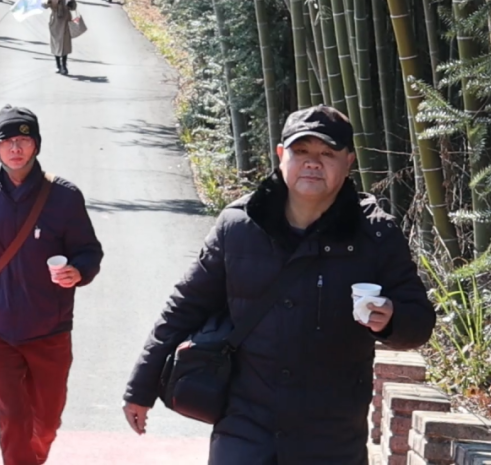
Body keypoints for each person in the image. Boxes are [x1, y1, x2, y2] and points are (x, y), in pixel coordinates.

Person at [122, 106, 436, 465]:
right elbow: (184, 307)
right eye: (301, 151)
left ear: (349, 161)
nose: (313, 163)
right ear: (281, 154)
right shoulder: (239, 226)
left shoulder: (375, 235)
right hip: (245, 428)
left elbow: (419, 321)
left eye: (327, 153)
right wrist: (140, 388)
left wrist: (392, 319)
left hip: (331, 437)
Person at [0, 105, 103, 465]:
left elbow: (89, 251)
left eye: (23, 140)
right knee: (13, 421)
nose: (15, 148)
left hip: (50, 329)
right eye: (7, 141)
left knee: (46, 423)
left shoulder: (64, 196)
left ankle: (36, 453)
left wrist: (78, 271)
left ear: (36, 145)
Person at [43, 0, 77, 75]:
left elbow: (74, 6)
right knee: (56, 42)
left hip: (66, 19)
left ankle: (64, 66)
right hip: (55, 20)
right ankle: (58, 65)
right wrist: (49, 0)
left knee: (65, 43)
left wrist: (71, 4)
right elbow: (44, 5)